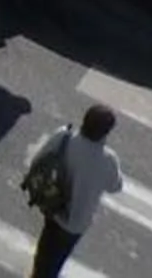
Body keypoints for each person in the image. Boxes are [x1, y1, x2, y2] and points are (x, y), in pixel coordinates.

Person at [22, 104, 123, 275]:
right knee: (57, 258)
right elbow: (116, 186)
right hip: (76, 221)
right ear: (106, 132)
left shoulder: (64, 137)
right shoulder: (108, 160)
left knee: (46, 248)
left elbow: (37, 161)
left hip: (53, 206)